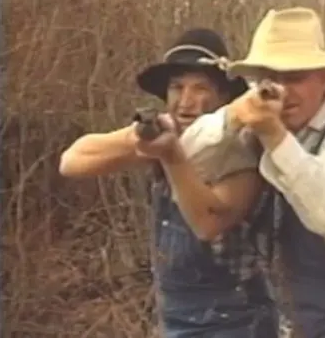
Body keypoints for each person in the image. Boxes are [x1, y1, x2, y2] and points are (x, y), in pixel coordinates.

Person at [187, 7, 325, 337]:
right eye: (271, 79)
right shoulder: (274, 120)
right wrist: (234, 115)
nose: (283, 92)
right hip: (299, 312)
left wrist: (275, 136)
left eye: (295, 77)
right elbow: (187, 154)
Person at [59, 29, 279, 338]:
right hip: (177, 319)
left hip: (236, 321)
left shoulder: (242, 148)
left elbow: (208, 223)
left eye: (200, 88)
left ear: (223, 96)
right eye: (177, 87)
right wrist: (141, 138)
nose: (186, 101)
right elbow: (72, 160)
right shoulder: (168, 134)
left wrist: (172, 155)